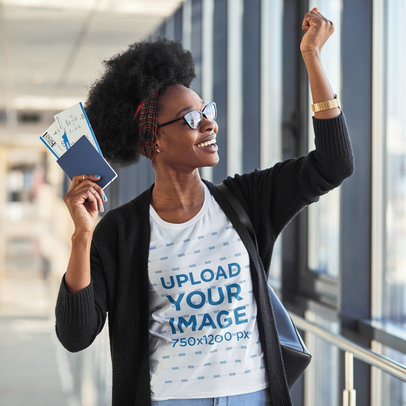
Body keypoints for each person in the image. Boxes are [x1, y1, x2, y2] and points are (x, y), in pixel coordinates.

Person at [55, 8, 354, 406]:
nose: (209, 124)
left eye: (207, 111)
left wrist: (313, 57)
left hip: (253, 394)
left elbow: (334, 163)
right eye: (191, 118)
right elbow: (76, 335)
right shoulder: (120, 231)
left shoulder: (246, 201)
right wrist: (82, 236)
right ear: (154, 141)